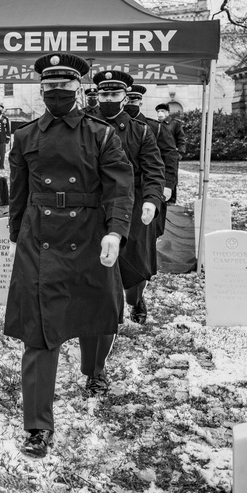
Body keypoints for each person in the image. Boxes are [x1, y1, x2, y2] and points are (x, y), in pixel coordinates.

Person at [5, 54, 133, 458]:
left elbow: (119, 186)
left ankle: (94, 372)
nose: (56, 95)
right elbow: (18, 193)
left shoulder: (100, 134)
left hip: (90, 234)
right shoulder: (25, 136)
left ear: (78, 90)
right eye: (49, 89)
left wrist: (115, 231)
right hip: (39, 238)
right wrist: (15, 237)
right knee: (38, 330)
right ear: (42, 91)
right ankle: (38, 425)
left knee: (96, 312)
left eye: (63, 88)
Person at [77, 71, 163, 396]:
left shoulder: (141, 131)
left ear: (125, 97)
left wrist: (153, 200)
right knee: (102, 292)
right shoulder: (81, 125)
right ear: (97, 96)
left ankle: (136, 300)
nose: (109, 100)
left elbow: (155, 170)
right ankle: (95, 370)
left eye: (116, 95)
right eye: (104, 95)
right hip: (94, 213)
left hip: (134, 208)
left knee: (134, 271)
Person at [132, 87, 178, 237]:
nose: (130, 104)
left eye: (134, 100)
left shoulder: (155, 127)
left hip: (150, 185)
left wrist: (169, 184)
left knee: (150, 231)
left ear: (140, 102)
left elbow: (170, 156)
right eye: (128, 99)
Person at [156, 103, 186, 203]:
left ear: (168, 113)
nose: (160, 113)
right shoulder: (156, 124)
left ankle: (171, 200)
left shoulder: (175, 124)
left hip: (171, 156)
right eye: (158, 111)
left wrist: (180, 153)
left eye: (162, 111)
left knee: (172, 177)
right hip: (159, 155)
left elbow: (181, 139)